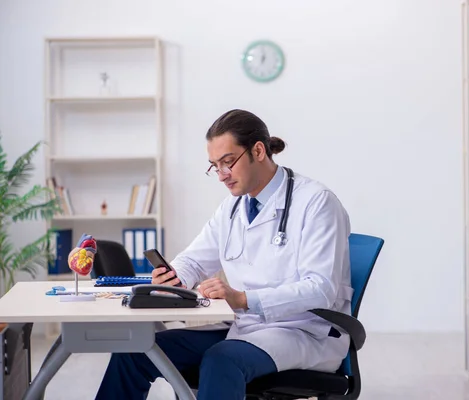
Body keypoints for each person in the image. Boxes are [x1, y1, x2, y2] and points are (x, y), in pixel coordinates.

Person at [95, 109, 354, 400]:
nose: (221, 175)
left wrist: (242, 299)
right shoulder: (232, 208)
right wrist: (175, 276)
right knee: (136, 351)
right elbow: (194, 259)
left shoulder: (317, 203)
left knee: (222, 360)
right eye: (215, 166)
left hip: (304, 332)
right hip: (246, 326)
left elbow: (320, 289)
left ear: (258, 150)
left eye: (228, 162)